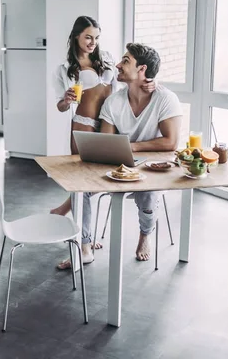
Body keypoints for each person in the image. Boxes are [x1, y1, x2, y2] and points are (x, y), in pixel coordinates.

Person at [51, 16, 154, 269]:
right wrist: (66, 99)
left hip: (110, 121)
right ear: (76, 36)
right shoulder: (65, 68)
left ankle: (68, 212)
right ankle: (84, 245)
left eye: (96, 38)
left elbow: (127, 79)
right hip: (84, 122)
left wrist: (152, 81)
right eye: (88, 37)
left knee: (96, 181)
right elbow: (61, 106)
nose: (92, 43)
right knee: (84, 179)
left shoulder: (105, 57)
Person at [99, 43, 182, 261]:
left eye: (125, 61)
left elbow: (171, 142)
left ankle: (145, 234)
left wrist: (129, 146)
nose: (118, 65)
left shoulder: (165, 99)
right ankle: (85, 244)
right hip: (119, 165)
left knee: (148, 192)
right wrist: (121, 149)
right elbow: (106, 142)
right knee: (84, 190)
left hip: (154, 168)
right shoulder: (113, 102)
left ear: (142, 69)